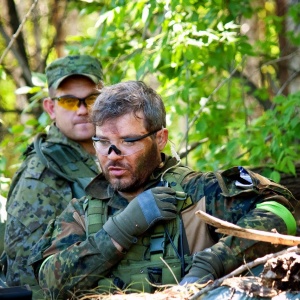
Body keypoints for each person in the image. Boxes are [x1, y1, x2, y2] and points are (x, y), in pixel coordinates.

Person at [29, 80, 298, 299]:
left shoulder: (199, 192)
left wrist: (212, 262)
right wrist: (123, 228)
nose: (112, 155)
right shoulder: (83, 211)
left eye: (128, 141)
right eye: (102, 142)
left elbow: (281, 212)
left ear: (160, 139)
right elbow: (51, 282)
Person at [3, 55, 104, 297]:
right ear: (51, 108)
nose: (82, 110)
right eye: (69, 101)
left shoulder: (108, 154)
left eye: (91, 99)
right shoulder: (41, 177)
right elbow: (25, 276)